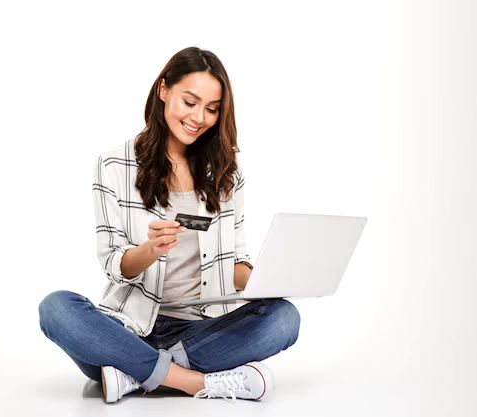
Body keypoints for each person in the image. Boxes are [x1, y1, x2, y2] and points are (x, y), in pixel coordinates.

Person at [38, 46, 301, 403]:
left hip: (202, 329)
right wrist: (149, 251)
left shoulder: (227, 174)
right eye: (189, 102)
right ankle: (193, 381)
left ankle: (133, 374)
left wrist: (272, 277)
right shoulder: (114, 165)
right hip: (128, 327)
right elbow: (115, 264)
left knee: (285, 318)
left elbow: (235, 262)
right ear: (163, 90)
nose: (199, 117)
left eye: (211, 109)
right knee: (56, 308)